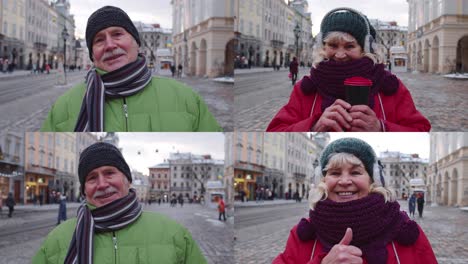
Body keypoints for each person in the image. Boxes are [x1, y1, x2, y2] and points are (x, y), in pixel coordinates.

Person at [41, 6, 221, 132]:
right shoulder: (63, 108)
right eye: (99, 40)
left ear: (136, 42)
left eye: (117, 34)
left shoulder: (186, 99)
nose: (110, 45)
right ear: (92, 54)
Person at [33, 142, 206, 264]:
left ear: (127, 180)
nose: (102, 184)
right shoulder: (56, 240)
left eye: (109, 173)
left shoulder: (175, 235)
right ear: (84, 189)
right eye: (92, 178)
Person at [273, 138, 437, 264]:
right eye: (335, 173)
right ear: (322, 181)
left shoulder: (405, 230)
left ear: (374, 180)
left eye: (355, 172)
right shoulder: (302, 234)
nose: (344, 181)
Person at [267, 7, 430, 132]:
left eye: (349, 46)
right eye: (332, 45)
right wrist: (314, 125)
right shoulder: (306, 88)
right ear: (322, 47)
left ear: (365, 48)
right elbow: (275, 130)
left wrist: (381, 128)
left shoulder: (389, 86)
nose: (339, 54)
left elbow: (421, 129)